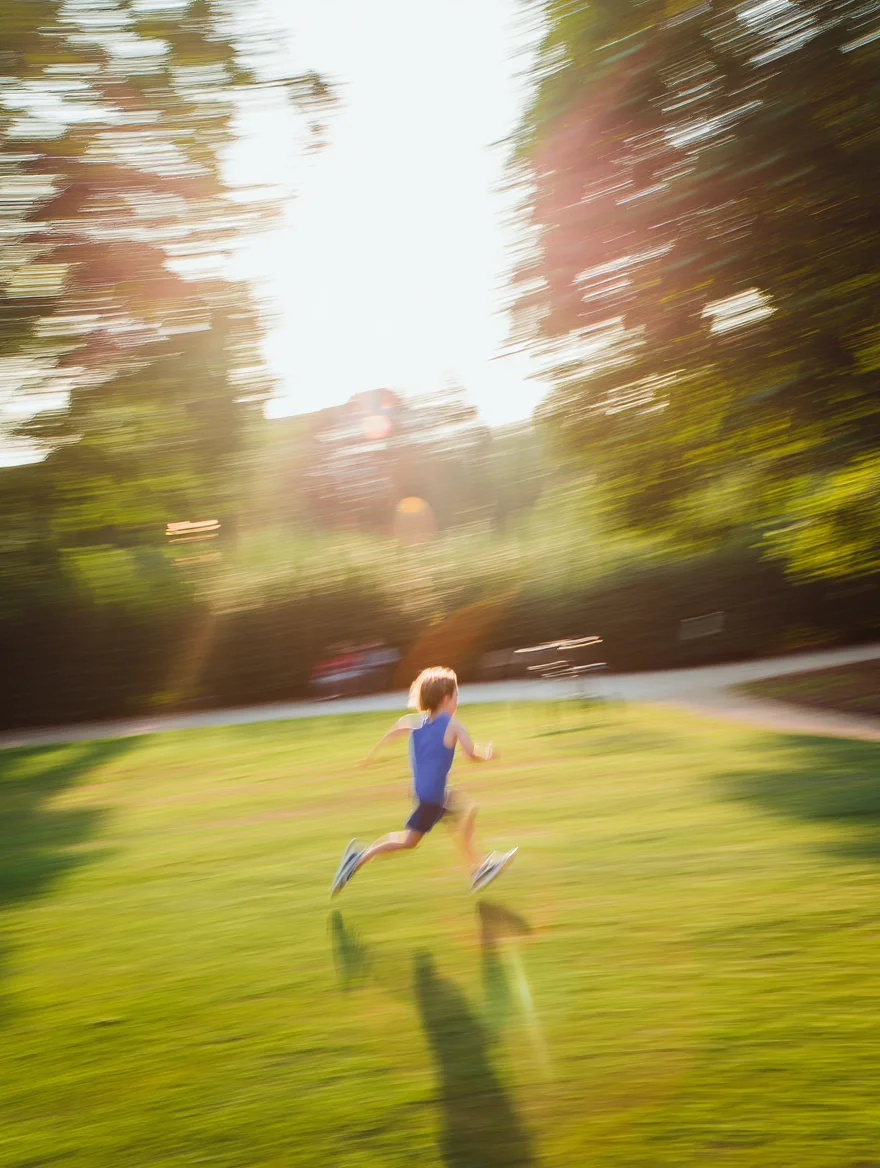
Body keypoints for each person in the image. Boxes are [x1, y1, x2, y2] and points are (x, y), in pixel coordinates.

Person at [331, 666, 517, 897]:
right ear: (446, 698)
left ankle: (477, 869)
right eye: (456, 695)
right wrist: (489, 753)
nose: (457, 699)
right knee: (411, 840)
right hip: (433, 798)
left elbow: (395, 729)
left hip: (424, 792)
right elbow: (472, 755)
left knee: (462, 814)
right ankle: (358, 858)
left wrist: (371, 757)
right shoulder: (454, 724)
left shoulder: (417, 722)